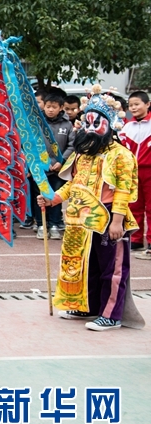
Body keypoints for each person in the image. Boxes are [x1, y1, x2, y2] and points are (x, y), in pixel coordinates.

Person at [38, 90, 142, 331]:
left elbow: (123, 191)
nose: (90, 126)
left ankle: (112, 315)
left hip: (109, 217)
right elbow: (74, 184)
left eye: (97, 122)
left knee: (112, 270)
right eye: (87, 121)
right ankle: (90, 307)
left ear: (111, 125)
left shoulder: (121, 155)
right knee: (88, 266)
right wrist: (52, 199)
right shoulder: (82, 155)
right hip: (83, 219)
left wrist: (116, 222)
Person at [36, 89, 75, 240]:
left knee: (56, 196)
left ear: (60, 108)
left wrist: (61, 161)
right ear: (43, 107)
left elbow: (72, 145)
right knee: (40, 196)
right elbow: (32, 143)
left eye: (54, 107)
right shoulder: (37, 123)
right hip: (41, 167)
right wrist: (41, 162)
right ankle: (41, 224)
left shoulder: (67, 125)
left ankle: (54, 225)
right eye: (48, 106)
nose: (50, 110)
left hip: (59, 168)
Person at [120, 91, 151, 258]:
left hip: (149, 170)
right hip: (132, 171)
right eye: (131, 105)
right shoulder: (126, 127)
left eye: (137, 104)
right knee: (134, 206)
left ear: (147, 104)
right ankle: (136, 239)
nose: (134, 107)